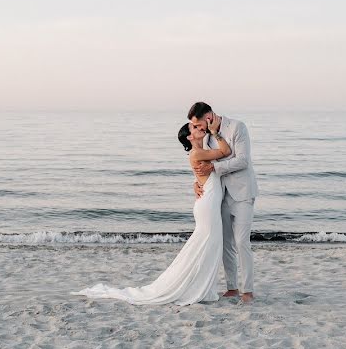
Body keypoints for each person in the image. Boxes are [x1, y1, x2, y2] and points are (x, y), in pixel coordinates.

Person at [72, 118, 231, 306]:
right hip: (207, 204)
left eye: (198, 125)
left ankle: (200, 286)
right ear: (189, 136)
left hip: (208, 202)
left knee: (206, 246)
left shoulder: (200, 152)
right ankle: (194, 287)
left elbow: (206, 172)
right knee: (205, 245)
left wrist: (195, 182)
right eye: (195, 127)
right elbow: (225, 151)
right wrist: (215, 131)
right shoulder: (197, 153)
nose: (200, 128)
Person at [188, 102, 258, 304]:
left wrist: (214, 170)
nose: (198, 129)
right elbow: (202, 163)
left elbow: (243, 161)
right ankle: (232, 287)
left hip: (243, 193)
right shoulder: (207, 137)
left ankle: (248, 290)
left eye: (199, 124)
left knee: (242, 242)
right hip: (220, 195)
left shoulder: (237, 127)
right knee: (226, 243)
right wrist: (197, 181)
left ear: (209, 116)